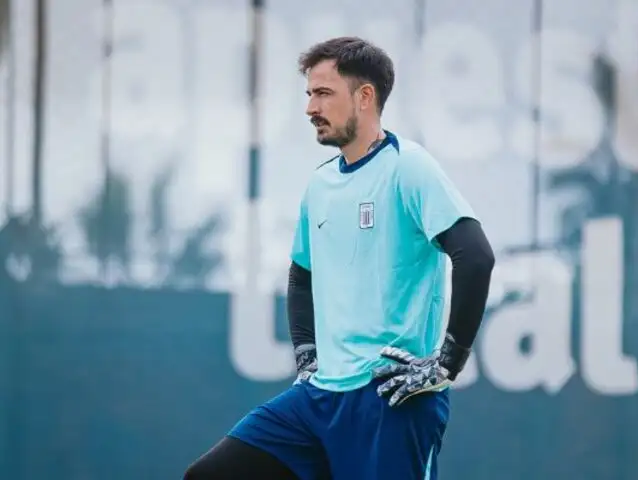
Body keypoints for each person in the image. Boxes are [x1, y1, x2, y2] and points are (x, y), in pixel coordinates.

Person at [184, 36, 495, 480]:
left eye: (323, 93)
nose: (311, 107)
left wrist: (447, 363)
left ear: (364, 96)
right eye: (309, 94)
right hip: (319, 399)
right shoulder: (320, 184)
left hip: (391, 399)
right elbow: (301, 275)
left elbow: (476, 257)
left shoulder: (410, 167)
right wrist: (308, 354)